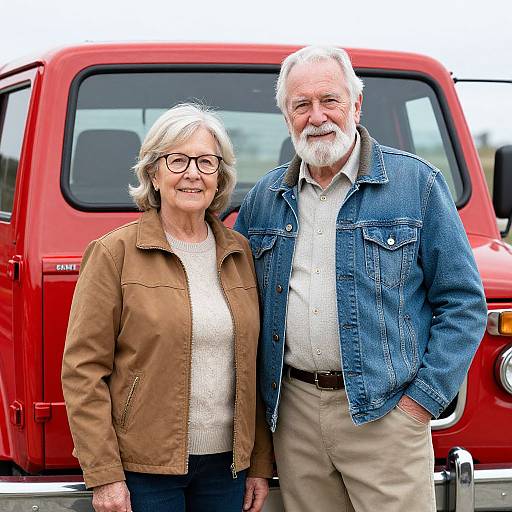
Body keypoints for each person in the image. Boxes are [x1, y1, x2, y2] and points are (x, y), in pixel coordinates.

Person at [235, 46, 487, 512]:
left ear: (357, 103)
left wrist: (420, 405)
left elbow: (464, 304)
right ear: (286, 115)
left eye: (329, 100)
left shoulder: (417, 185)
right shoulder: (264, 200)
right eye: (301, 105)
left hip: (386, 415)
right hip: (294, 416)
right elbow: (237, 306)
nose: (316, 117)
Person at [62, 103, 272, 512]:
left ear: (220, 177)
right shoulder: (113, 253)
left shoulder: (240, 253)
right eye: (177, 160)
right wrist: (104, 475)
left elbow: (257, 366)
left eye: (206, 162)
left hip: (226, 471)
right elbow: (83, 371)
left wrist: (259, 462)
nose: (192, 173)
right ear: (154, 173)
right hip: (145, 469)